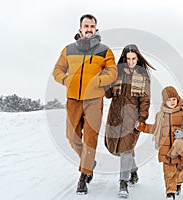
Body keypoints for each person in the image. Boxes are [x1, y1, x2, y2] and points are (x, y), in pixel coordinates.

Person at [52, 14, 118, 195]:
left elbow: (112, 72)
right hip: (73, 99)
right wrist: (65, 80)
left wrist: (98, 82)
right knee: (71, 136)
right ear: (80, 28)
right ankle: (88, 161)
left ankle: (84, 175)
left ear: (96, 29)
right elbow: (57, 70)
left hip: (94, 100)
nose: (89, 29)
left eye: (92, 26)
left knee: (90, 138)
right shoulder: (68, 50)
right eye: (86, 26)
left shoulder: (104, 50)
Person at [104, 44, 155, 198]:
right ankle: (133, 170)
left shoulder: (143, 76)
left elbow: (145, 100)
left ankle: (123, 183)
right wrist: (106, 83)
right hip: (115, 116)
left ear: (138, 58)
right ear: (124, 59)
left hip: (132, 118)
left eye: (134, 58)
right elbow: (108, 95)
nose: (131, 61)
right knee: (119, 150)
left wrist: (142, 118)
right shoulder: (117, 73)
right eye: (128, 58)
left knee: (126, 150)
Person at [137, 86, 183, 200]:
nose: (172, 102)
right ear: (164, 101)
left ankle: (178, 183)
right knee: (169, 173)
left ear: (178, 99)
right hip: (166, 151)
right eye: (169, 100)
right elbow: (156, 129)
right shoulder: (160, 115)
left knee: (180, 171)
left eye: (174, 99)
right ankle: (170, 193)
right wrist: (142, 127)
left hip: (180, 149)